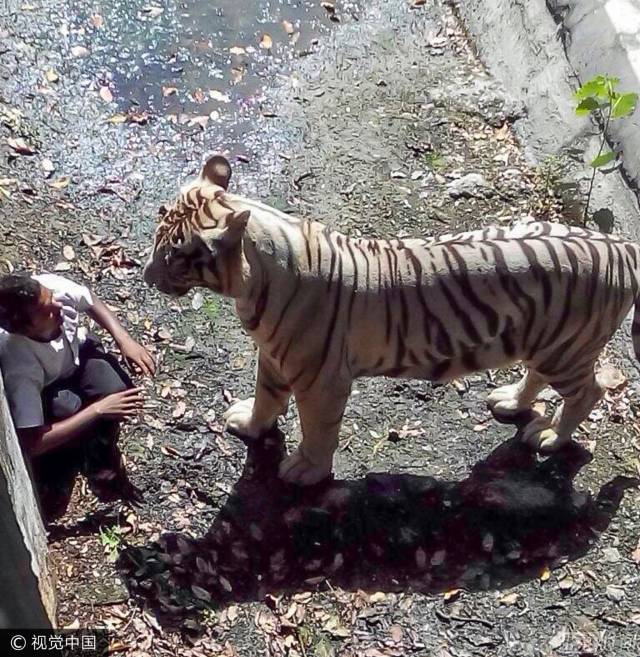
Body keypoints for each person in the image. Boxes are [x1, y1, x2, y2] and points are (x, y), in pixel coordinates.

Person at [0, 272, 155, 518]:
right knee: (67, 409)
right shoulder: (20, 364)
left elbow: (89, 300)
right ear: (27, 329)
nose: (59, 304)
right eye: (47, 310)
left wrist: (124, 339)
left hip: (76, 357)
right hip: (50, 388)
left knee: (116, 387)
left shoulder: (51, 291)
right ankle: (67, 460)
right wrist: (98, 409)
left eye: (50, 296)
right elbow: (32, 443)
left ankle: (99, 452)